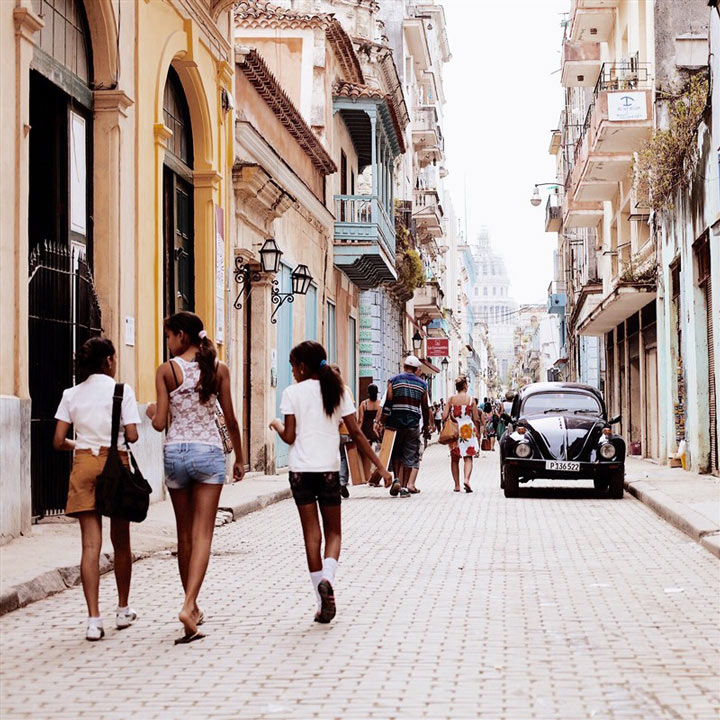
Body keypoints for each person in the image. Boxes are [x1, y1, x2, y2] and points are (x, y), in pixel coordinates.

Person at [270, 341, 391, 624]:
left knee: (312, 537)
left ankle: (320, 600)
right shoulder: (337, 391)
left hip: (300, 472)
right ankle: (328, 577)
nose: (292, 373)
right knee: (334, 533)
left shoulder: (291, 393)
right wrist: (382, 469)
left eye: (292, 368)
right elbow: (358, 435)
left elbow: (289, 437)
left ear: (301, 367)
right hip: (327, 472)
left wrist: (276, 425)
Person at [146, 311, 245, 644]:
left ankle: (193, 604)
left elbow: (160, 423)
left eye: (169, 336)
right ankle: (189, 605)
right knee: (204, 534)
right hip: (209, 454)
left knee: (184, 536)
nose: (168, 342)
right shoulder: (218, 369)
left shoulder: (166, 370)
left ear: (182, 337)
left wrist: (150, 411)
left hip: (176, 454)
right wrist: (240, 459)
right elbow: (230, 418)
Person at [53, 337, 142, 641]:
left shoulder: (71, 394)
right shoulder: (122, 391)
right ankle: (122, 609)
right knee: (121, 542)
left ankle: (93, 620)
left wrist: (80, 444)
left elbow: (57, 440)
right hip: (114, 465)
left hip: (83, 463)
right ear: (108, 361)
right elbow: (132, 434)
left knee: (90, 546)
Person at [377, 355, 431, 498]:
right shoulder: (422, 385)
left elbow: (388, 403)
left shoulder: (393, 381)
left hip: (395, 423)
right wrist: (426, 425)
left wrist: (382, 421)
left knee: (396, 453)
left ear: (404, 367)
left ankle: (397, 479)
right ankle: (405, 487)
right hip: (413, 424)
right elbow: (425, 407)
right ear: (416, 369)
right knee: (410, 454)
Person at [442, 376, 483, 492]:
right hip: (468, 428)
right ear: (465, 386)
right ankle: (466, 479)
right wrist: (478, 433)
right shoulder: (471, 400)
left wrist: (450, 416)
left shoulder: (451, 399)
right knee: (468, 456)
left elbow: (444, 416)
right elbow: (476, 418)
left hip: (455, 428)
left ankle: (457, 485)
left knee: (454, 458)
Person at [357, 383, 381, 482]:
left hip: (366, 433)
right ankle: (374, 476)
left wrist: (357, 433)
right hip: (376, 433)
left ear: (368, 392)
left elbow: (360, 420)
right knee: (376, 454)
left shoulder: (364, 404)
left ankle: (366, 476)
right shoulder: (380, 404)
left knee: (366, 456)